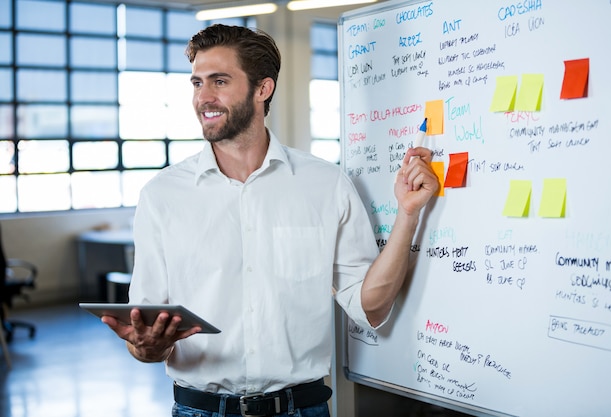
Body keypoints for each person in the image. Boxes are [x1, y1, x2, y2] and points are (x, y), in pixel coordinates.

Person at [102, 24, 438, 417]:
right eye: (196, 83)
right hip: (200, 409)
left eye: (219, 81)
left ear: (263, 89)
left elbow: (371, 307)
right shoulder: (162, 196)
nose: (203, 98)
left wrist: (408, 214)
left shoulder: (325, 184)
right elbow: (146, 329)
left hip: (302, 408)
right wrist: (146, 345)